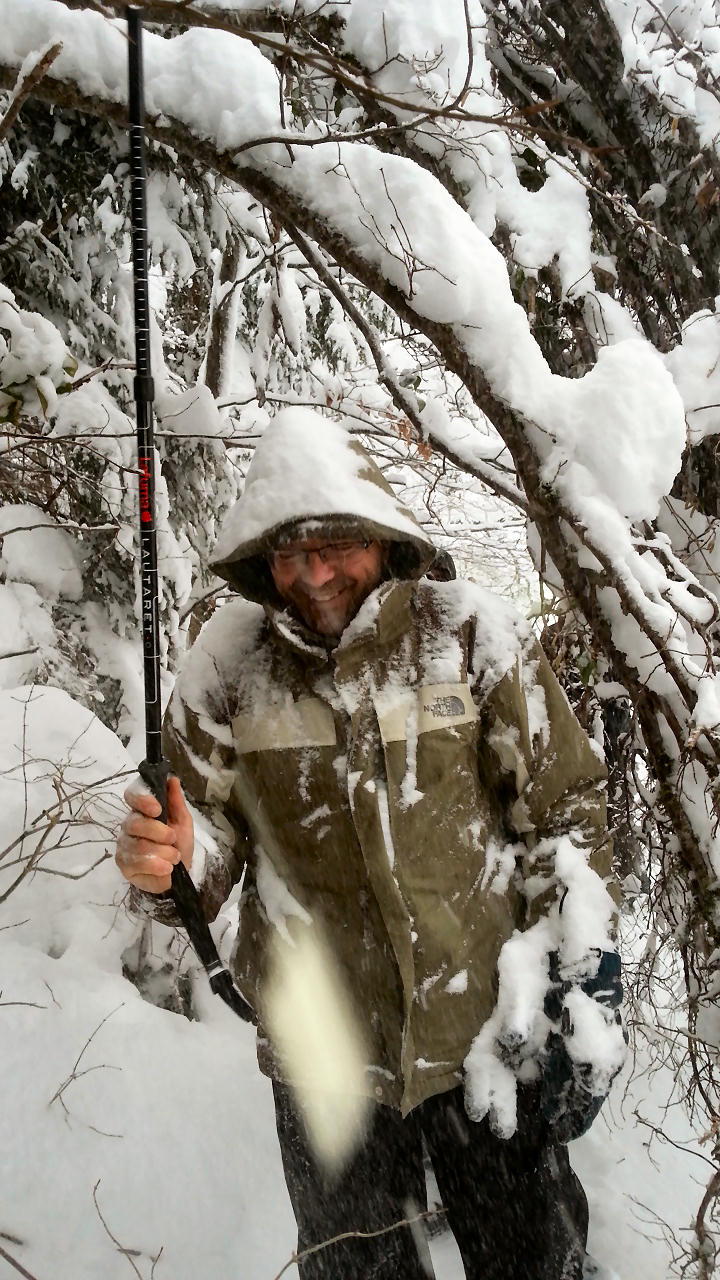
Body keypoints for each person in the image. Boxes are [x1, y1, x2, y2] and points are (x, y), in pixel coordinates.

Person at [116, 408, 624, 1280]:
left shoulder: (470, 634)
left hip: (486, 1038)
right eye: (289, 552)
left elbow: (564, 810)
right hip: (325, 1061)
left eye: (337, 544)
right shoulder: (228, 666)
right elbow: (205, 840)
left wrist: (579, 978)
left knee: (536, 1264)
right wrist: (172, 862)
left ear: (384, 536)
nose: (314, 574)